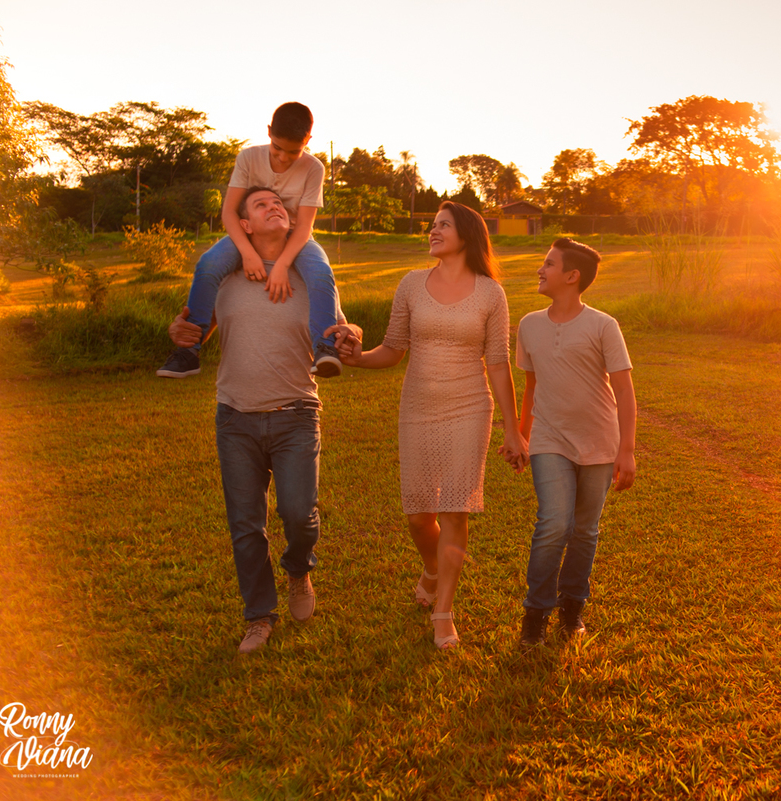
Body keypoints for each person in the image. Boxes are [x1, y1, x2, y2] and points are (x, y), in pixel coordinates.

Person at [167, 185, 360, 654]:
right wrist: (180, 331)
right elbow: (197, 329)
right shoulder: (227, 277)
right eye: (261, 204)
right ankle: (258, 616)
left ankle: (299, 568)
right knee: (246, 525)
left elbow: (340, 329)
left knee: (299, 514)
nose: (275, 206)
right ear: (244, 225)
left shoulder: (313, 278)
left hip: (296, 414)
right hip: (235, 417)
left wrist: (352, 332)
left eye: (280, 203)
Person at [338, 201, 527, 649]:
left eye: (443, 225)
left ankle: (444, 611)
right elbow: (393, 348)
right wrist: (357, 359)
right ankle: (431, 568)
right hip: (418, 406)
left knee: (455, 508)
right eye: (432, 225)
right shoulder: (410, 285)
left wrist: (512, 427)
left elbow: (498, 364)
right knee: (419, 514)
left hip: (470, 407)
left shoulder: (490, 293)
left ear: (467, 234)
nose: (433, 231)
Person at [506, 239, 637, 648]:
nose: (540, 270)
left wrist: (627, 450)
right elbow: (530, 386)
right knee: (554, 523)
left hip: (599, 441)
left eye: (548, 264)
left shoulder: (603, 325)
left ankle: (572, 608)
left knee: (584, 530)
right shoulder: (528, 325)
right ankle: (535, 613)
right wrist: (522, 436)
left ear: (572, 276)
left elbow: (625, 391)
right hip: (549, 439)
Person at [158, 102, 343, 380]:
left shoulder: (313, 168)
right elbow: (229, 212)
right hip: (247, 232)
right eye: (277, 148)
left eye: (294, 151)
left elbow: (304, 226)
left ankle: (325, 347)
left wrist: (281, 265)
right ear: (269, 132)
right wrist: (247, 252)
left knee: (320, 271)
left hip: (294, 237)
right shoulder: (248, 158)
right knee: (208, 264)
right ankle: (188, 352)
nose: (283, 158)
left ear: (308, 141)